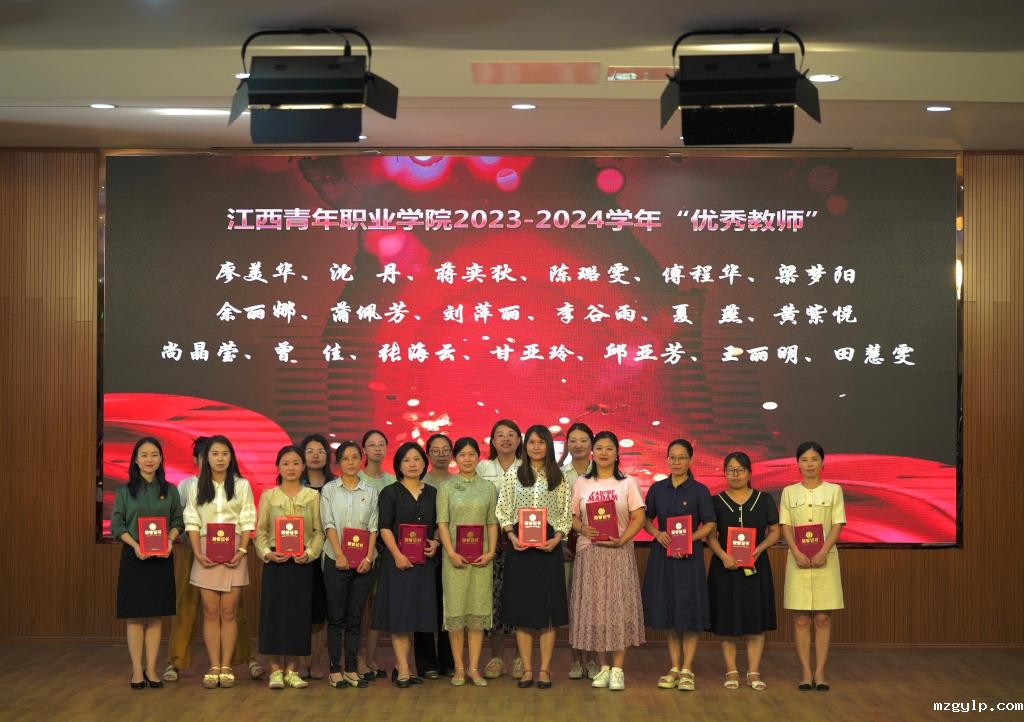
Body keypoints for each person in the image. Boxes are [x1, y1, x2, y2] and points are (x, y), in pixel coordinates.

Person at [164, 437, 263, 683]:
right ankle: (214, 666)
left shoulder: (242, 485)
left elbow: (247, 519)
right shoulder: (193, 486)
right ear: (205, 458)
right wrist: (198, 552)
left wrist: (242, 551)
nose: (220, 458)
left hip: (235, 551)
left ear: (232, 457)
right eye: (215, 453)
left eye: (225, 453)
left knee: (229, 611)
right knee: (210, 611)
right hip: (203, 550)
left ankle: (227, 667)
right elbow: (191, 519)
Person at [496, 425, 571, 690]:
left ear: (549, 446)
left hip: (549, 547)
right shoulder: (514, 474)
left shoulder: (559, 477)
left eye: (541, 442)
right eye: (531, 442)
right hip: (520, 547)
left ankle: (544, 670)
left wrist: (557, 538)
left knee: (548, 611)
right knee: (522, 609)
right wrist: (511, 535)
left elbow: (565, 512)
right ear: (524, 446)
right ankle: (527, 669)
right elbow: (503, 509)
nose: (536, 447)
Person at [569, 431, 646, 691]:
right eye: (599, 448)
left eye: (609, 448)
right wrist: (582, 528)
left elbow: (638, 517)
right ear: (593, 452)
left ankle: (618, 669)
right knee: (596, 611)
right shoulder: (581, 483)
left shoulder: (628, 483)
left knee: (617, 611)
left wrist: (623, 539)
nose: (603, 453)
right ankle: (603, 668)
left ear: (617, 453)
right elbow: (571, 516)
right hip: (589, 553)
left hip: (618, 553)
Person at [641, 438, 716, 691]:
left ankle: (687, 669)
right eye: (672, 457)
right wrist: (657, 533)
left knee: (689, 610)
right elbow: (645, 519)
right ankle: (674, 667)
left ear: (690, 460)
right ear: (667, 459)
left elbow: (710, 524)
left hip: (689, 559)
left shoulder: (699, 490)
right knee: (669, 611)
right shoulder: (657, 489)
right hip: (663, 556)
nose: (676, 462)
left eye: (682, 457)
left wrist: (688, 539)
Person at [112, 437, 184, 689]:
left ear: (161, 458)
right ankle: (136, 670)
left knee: (154, 616)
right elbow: (117, 525)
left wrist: (170, 541)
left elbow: (178, 521)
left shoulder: (170, 490)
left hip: (161, 559)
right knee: (134, 617)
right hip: (134, 557)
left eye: (154, 454)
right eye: (144, 455)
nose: (149, 459)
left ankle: (152, 669)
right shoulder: (124, 491)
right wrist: (135, 545)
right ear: (135, 459)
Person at [705, 452, 780, 691]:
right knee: (726, 620)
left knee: (755, 620)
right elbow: (710, 535)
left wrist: (759, 549)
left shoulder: (764, 499)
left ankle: (754, 672)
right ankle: (732, 671)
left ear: (749, 472)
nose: (735, 474)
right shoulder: (715, 501)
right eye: (730, 470)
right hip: (724, 568)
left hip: (756, 567)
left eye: (740, 470)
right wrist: (723, 556)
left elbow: (775, 531)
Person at [254, 445, 324, 689]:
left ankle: (292, 670)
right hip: (276, 562)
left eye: (295, 463)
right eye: (285, 463)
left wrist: (310, 553)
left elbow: (318, 532)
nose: (291, 468)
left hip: (302, 562)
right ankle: (275, 670)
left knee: (298, 615)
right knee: (273, 614)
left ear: (303, 466)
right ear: (278, 467)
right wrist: (267, 553)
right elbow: (260, 532)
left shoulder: (312, 496)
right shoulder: (268, 496)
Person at [372, 442, 440, 687]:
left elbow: (440, 524)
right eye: (407, 460)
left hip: (424, 564)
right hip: (397, 564)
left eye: (417, 459)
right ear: (399, 465)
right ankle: (402, 667)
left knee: (417, 616)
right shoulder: (390, 492)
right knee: (400, 616)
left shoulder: (433, 493)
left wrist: (436, 542)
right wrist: (397, 555)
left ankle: (407, 665)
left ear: (424, 463)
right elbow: (384, 527)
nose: (412, 464)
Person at [779, 441, 845, 692]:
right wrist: (796, 552)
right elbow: (785, 525)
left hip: (825, 560)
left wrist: (823, 551)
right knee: (801, 619)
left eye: (814, 459)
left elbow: (838, 523)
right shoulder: (789, 492)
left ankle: (821, 673)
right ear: (797, 463)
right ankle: (806, 672)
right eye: (804, 460)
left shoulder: (834, 490)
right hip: (798, 560)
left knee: (823, 618)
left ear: (822, 463)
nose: (809, 464)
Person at [436, 437, 499, 687]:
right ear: (455, 458)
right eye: (462, 454)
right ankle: (459, 669)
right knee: (456, 614)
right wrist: (450, 552)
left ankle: (474, 668)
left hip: (482, 559)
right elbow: (442, 523)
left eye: (472, 454)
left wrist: (491, 551)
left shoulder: (488, 488)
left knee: (477, 613)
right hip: (454, 560)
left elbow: (491, 523)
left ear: (478, 457)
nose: (467, 459)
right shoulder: (446, 487)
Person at [321, 441, 379, 688]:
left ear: (361, 459)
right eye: (345, 458)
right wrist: (339, 554)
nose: (351, 462)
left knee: (355, 617)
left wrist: (368, 558)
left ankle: (352, 668)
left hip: (363, 563)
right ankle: (335, 669)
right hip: (336, 560)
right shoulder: (329, 490)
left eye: (355, 457)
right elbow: (328, 523)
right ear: (338, 463)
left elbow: (373, 527)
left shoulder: (371, 491)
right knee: (336, 618)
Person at [476, 418, 522, 679]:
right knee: (493, 600)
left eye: (511, 434)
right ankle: (495, 657)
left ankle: (520, 658)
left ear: (519, 440)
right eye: (500, 435)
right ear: (492, 441)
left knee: (519, 598)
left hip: (521, 542)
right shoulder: (482, 467)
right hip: (489, 543)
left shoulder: (528, 468)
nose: (505, 439)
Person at [356, 429, 396, 680]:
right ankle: (357, 657)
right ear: (364, 450)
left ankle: (370, 658)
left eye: (382, 444)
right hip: (360, 550)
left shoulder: (392, 481)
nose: (377, 448)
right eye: (372, 444)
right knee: (359, 607)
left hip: (386, 551)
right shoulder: (356, 478)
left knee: (376, 607)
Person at [416, 433, 457, 678]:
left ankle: (448, 660)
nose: (441, 454)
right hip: (424, 551)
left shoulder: (458, 482)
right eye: (435, 450)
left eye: (445, 450)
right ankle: (425, 662)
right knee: (424, 605)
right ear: (427, 455)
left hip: (452, 552)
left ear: (451, 453)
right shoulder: (420, 482)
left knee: (447, 605)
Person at [560, 422, 597, 680]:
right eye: (573, 440)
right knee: (573, 606)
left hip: (596, 547)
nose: (578, 445)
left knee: (593, 604)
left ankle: (593, 659)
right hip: (565, 548)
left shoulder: (604, 472)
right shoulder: (560, 475)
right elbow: (554, 511)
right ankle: (575, 660)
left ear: (591, 444)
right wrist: (561, 543)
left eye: (583, 440)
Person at [299, 433, 335, 680]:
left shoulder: (334, 486)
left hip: (329, 554)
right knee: (302, 610)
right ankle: (302, 661)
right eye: (310, 450)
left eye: (320, 451)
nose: (315, 455)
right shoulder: (294, 485)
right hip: (300, 554)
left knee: (323, 611)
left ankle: (316, 661)